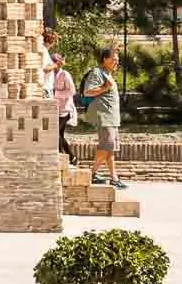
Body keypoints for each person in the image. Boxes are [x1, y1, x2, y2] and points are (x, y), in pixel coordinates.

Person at [78, 46, 128, 190]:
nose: (116, 63)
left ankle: (114, 178)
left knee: (110, 149)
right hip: (104, 117)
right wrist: (105, 88)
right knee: (106, 146)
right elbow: (87, 92)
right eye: (114, 59)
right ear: (105, 59)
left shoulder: (108, 74)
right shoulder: (97, 73)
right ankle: (93, 173)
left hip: (111, 118)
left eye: (117, 60)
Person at [50, 49, 80, 164]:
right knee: (60, 135)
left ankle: (60, 157)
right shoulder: (51, 75)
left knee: (55, 133)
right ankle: (72, 157)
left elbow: (72, 91)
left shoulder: (65, 74)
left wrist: (55, 93)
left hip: (65, 110)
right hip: (55, 109)